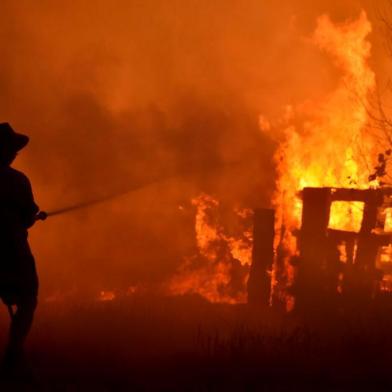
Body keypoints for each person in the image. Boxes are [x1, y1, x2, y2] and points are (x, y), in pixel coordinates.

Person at [0, 123, 45, 367]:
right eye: (11, 149)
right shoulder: (17, 180)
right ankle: (13, 354)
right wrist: (32, 217)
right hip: (12, 252)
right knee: (28, 297)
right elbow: (27, 218)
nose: (15, 154)